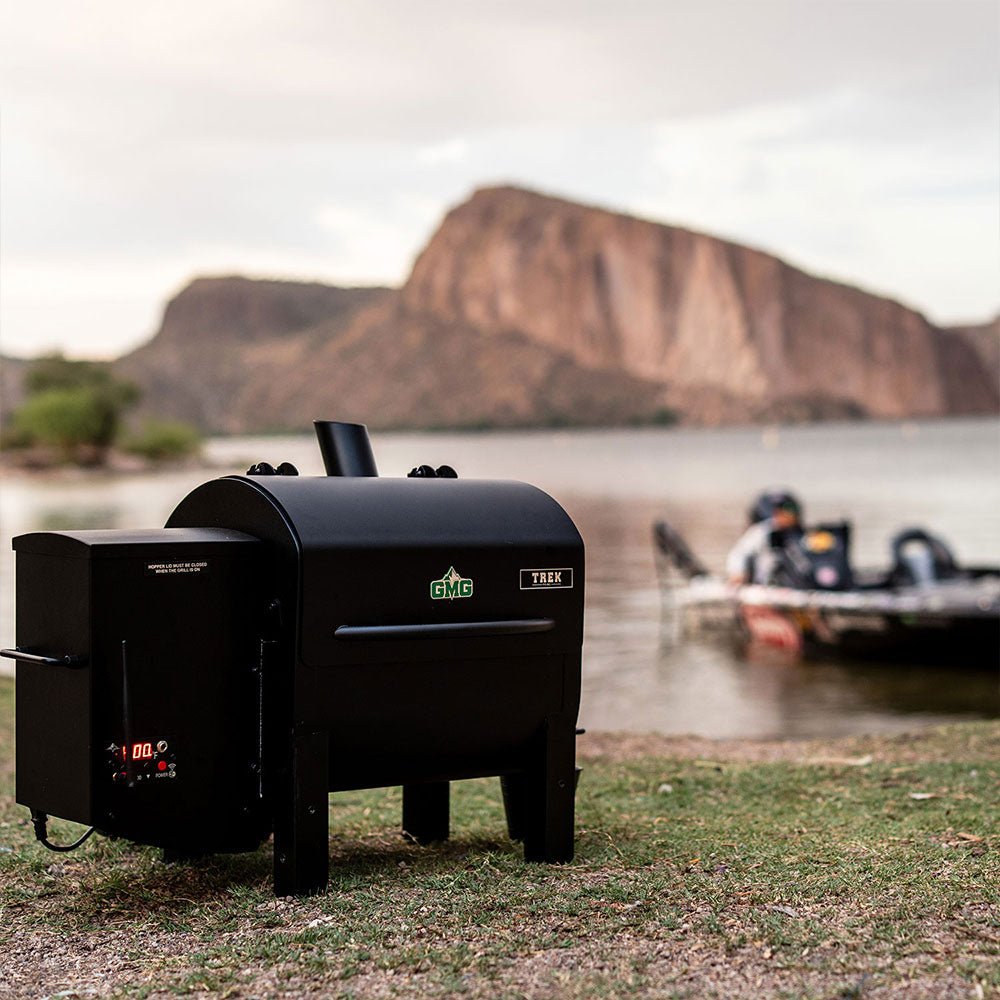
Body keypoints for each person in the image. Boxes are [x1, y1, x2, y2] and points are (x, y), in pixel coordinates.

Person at [726, 490, 803, 585]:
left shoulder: (800, 535)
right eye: (785, 511)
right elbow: (739, 553)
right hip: (762, 584)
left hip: (791, 584)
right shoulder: (762, 531)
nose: (790, 516)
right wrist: (738, 572)